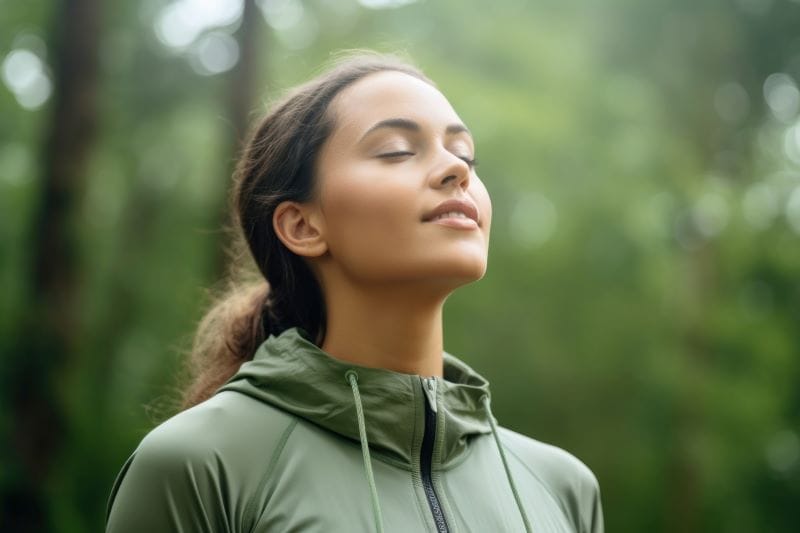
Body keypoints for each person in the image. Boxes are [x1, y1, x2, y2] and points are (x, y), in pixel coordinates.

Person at [105, 52, 604, 533]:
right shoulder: (199, 467)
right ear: (301, 225)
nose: (459, 170)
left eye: (465, 152)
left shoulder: (562, 487)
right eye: (397, 151)